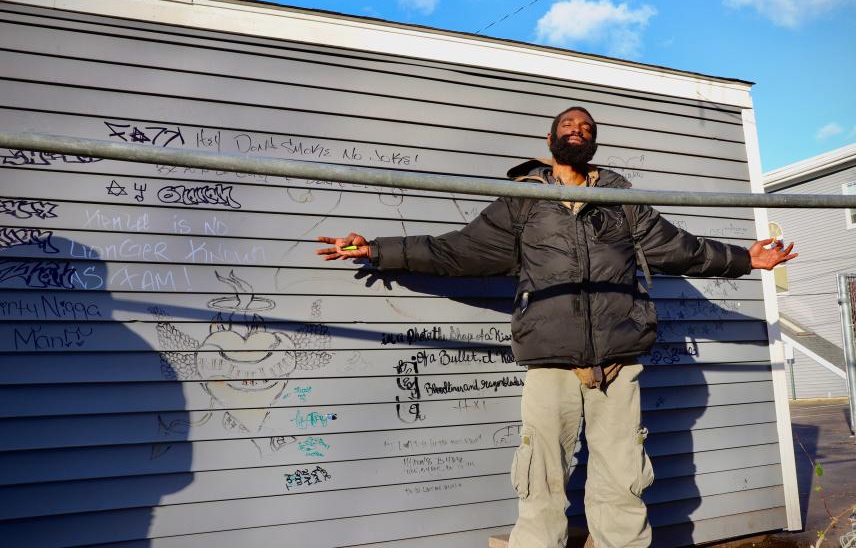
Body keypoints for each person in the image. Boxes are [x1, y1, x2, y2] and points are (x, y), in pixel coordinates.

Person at [317, 106, 796, 548]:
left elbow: (682, 248)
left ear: (593, 145)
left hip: (618, 363)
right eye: (569, 125)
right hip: (551, 362)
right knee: (541, 476)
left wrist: (744, 259)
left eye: (587, 128)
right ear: (550, 139)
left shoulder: (622, 203)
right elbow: (455, 251)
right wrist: (376, 250)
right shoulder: (523, 202)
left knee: (623, 474)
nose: (578, 130)